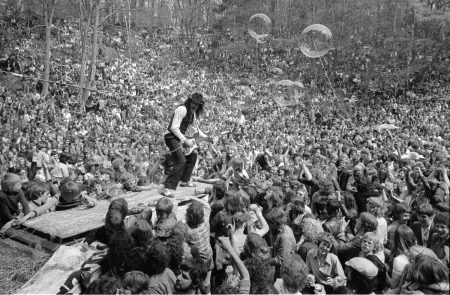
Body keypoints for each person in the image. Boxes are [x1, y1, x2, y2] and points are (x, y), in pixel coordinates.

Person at [161, 93, 206, 197]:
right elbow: (174, 128)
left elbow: (196, 130)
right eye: (194, 103)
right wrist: (185, 140)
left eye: (197, 104)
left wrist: (207, 137)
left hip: (180, 138)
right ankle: (166, 187)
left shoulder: (192, 114)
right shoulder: (182, 109)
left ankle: (184, 181)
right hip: (171, 137)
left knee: (193, 154)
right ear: (190, 101)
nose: (195, 105)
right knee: (181, 161)